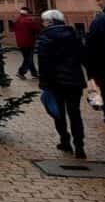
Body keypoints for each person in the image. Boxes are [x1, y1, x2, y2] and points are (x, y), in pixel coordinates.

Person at [37, 9, 87, 158]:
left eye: (44, 21)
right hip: (74, 81)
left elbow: (43, 62)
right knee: (75, 113)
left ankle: (65, 140)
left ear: (49, 22)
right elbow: (83, 56)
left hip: (55, 82)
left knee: (58, 113)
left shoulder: (45, 37)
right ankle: (79, 145)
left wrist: (44, 83)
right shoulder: (73, 34)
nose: (43, 24)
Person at [85, 0, 105, 124]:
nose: (98, 3)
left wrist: (90, 66)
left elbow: (91, 44)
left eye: (99, 0)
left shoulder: (100, 20)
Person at [13, 7, 42, 79]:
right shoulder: (29, 20)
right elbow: (37, 29)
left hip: (20, 43)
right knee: (28, 58)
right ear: (27, 12)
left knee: (28, 58)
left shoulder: (16, 20)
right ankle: (21, 72)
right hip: (29, 42)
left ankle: (34, 73)